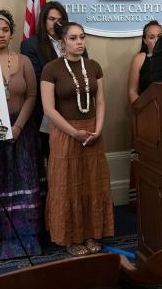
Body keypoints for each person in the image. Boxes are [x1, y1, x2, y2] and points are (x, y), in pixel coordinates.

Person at [40, 21, 114, 256]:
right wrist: (73, 133)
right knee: (68, 185)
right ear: (62, 42)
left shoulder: (93, 66)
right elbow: (49, 109)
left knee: (92, 183)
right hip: (65, 134)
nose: (79, 42)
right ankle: (71, 238)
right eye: (73, 38)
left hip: (92, 132)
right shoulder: (51, 69)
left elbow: (100, 101)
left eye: (82, 37)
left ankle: (91, 234)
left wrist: (98, 129)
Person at [0, 9, 43, 259]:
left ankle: (26, 240)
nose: (1, 34)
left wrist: (17, 127)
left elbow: (32, 96)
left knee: (22, 182)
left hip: (20, 131)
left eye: (5, 30)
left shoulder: (23, 61)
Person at [21, 1, 88, 159]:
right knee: (54, 157)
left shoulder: (75, 41)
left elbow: (85, 70)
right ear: (43, 21)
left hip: (76, 107)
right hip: (49, 112)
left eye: (60, 19)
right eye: (51, 19)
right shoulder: (31, 45)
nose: (56, 23)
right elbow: (36, 78)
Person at [127, 20, 162, 208]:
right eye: (152, 37)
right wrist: (141, 115)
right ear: (145, 40)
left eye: (160, 37)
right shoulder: (140, 58)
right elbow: (133, 91)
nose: (156, 40)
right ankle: (143, 202)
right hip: (145, 118)